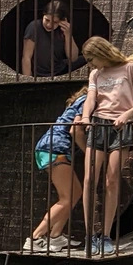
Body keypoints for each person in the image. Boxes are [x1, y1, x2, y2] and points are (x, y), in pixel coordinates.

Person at [74, 37, 133, 255]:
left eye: (91, 58)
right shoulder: (95, 74)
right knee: (89, 178)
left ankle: (105, 235)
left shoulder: (130, 68)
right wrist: (86, 116)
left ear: (102, 52)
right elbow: (90, 98)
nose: (90, 63)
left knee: (112, 179)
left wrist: (127, 115)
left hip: (120, 126)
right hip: (98, 124)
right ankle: (90, 235)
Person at [23, 87, 87, 253]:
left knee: (75, 193)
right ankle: (36, 237)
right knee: (66, 197)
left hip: (53, 147)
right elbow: (75, 130)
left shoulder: (80, 101)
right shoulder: (87, 100)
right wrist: (89, 154)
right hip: (56, 148)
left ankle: (55, 236)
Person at [21, 0, 83, 77]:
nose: (49, 25)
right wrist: (28, 79)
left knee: (86, 59)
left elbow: (73, 58)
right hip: (39, 74)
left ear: (63, 20)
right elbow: (26, 57)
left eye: (55, 22)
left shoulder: (63, 29)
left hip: (60, 70)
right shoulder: (34, 27)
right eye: (47, 20)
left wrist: (68, 34)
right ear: (43, 15)